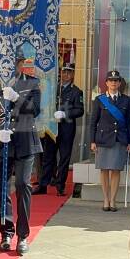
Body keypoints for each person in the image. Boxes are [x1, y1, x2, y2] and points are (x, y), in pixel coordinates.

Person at [0, 56, 42, 255]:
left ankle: (23, 235)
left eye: (13, 63)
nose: (9, 67)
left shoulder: (31, 83)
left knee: (22, 185)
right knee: (1, 189)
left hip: (25, 142)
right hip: (1, 144)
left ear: (19, 64)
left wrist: (17, 99)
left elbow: (34, 110)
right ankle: (6, 232)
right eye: (5, 62)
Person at [36, 63, 85, 196]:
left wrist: (65, 113)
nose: (66, 75)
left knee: (64, 157)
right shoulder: (53, 89)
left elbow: (80, 110)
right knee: (48, 156)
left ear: (73, 74)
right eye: (64, 72)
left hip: (66, 128)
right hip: (52, 127)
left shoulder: (76, 91)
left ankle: (60, 185)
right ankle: (43, 184)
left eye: (69, 72)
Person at [91, 69, 130, 212]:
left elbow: (129, 122)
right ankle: (105, 199)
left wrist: (129, 141)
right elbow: (93, 122)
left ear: (120, 83)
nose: (113, 83)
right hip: (103, 139)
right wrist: (92, 141)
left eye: (116, 81)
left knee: (116, 170)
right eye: (111, 80)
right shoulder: (99, 100)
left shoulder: (126, 100)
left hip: (119, 139)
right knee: (104, 170)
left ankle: (113, 200)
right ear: (106, 83)